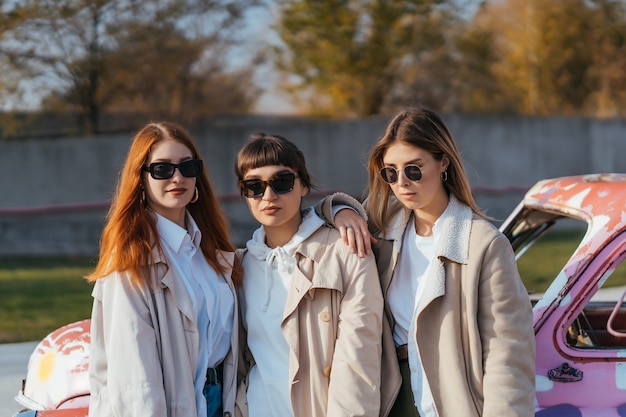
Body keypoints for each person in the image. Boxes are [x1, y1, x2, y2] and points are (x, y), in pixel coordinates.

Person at [315, 106, 536, 417]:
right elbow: (315, 217)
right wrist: (342, 211)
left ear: (443, 161)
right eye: (390, 172)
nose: (402, 182)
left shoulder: (483, 244)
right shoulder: (383, 223)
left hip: (452, 397)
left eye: (414, 169)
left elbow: (508, 353)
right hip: (392, 395)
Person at [233, 132, 396, 417]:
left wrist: (338, 208)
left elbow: (359, 358)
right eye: (254, 186)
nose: (268, 196)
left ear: (304, 185)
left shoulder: (346, 250)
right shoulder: (238, 267)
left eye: (281, 182)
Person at [86, 122, 241, 417]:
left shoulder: (211, 250)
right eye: (162, 169)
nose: (177, 177)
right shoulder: (130, 261)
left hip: (220, 402)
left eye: (187, 167)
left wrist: (337, 209)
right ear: (141, 179)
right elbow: (135, 380)